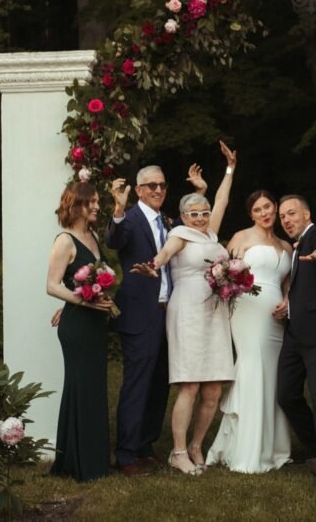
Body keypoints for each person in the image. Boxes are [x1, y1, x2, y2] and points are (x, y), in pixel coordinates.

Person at [136, 142, 237, 476]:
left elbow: (221, 200)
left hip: (215, 313)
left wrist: (229, 170)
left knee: (213, 386)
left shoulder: (211, 234)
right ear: (182, 216)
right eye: (193, 213)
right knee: (190, 384)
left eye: (203, 212)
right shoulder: (178, 233)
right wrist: (152, 265)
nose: (200, 217)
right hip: (188, 311)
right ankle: (177, 452)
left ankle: (196, 445)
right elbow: (163, 256)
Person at [205, 190, 293, 473]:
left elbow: (289, 283)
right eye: (258, 210)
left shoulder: (286, 246)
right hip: (247, 309)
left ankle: (274, 446)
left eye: (268, 206)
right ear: (251, 215)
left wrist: (287, 302)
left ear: (275, 207)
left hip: (277, 316)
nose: (264, 213)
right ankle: (248, 450)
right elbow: (221, 271)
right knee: (253, 367)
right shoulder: (241, 238)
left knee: (273, 373)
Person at [104, 164, 173, 476]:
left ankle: (146, 445)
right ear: (140, 189)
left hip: (168, 315)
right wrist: (118, 206)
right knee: (136, 384)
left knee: (159, 384)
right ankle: (127, 453)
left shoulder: (167, 222)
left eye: (162, 185)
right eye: (151, 186)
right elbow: (114, 240)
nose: (158, 190)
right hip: (140, 315)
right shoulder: (129, 219)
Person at [45, 181, 115, 481]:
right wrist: (80, 303)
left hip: (95, 325)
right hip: (79, 329)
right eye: (93, 202)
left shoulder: (93, 235)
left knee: (93, 391)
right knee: (81, 390)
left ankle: (89, 460)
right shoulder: (65, 241)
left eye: (99, 201)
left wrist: (80, 301)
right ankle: (82, 465)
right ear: (77, 204)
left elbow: (87, 281)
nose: (98, 206)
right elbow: (51, 285)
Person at [275, 195, 316, 483]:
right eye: (283, 217)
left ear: (306, 213)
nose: (286, 220)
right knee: (286, 394)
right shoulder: (298, 245)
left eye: (291, 213)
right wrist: (288, 305)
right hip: (294, 332)